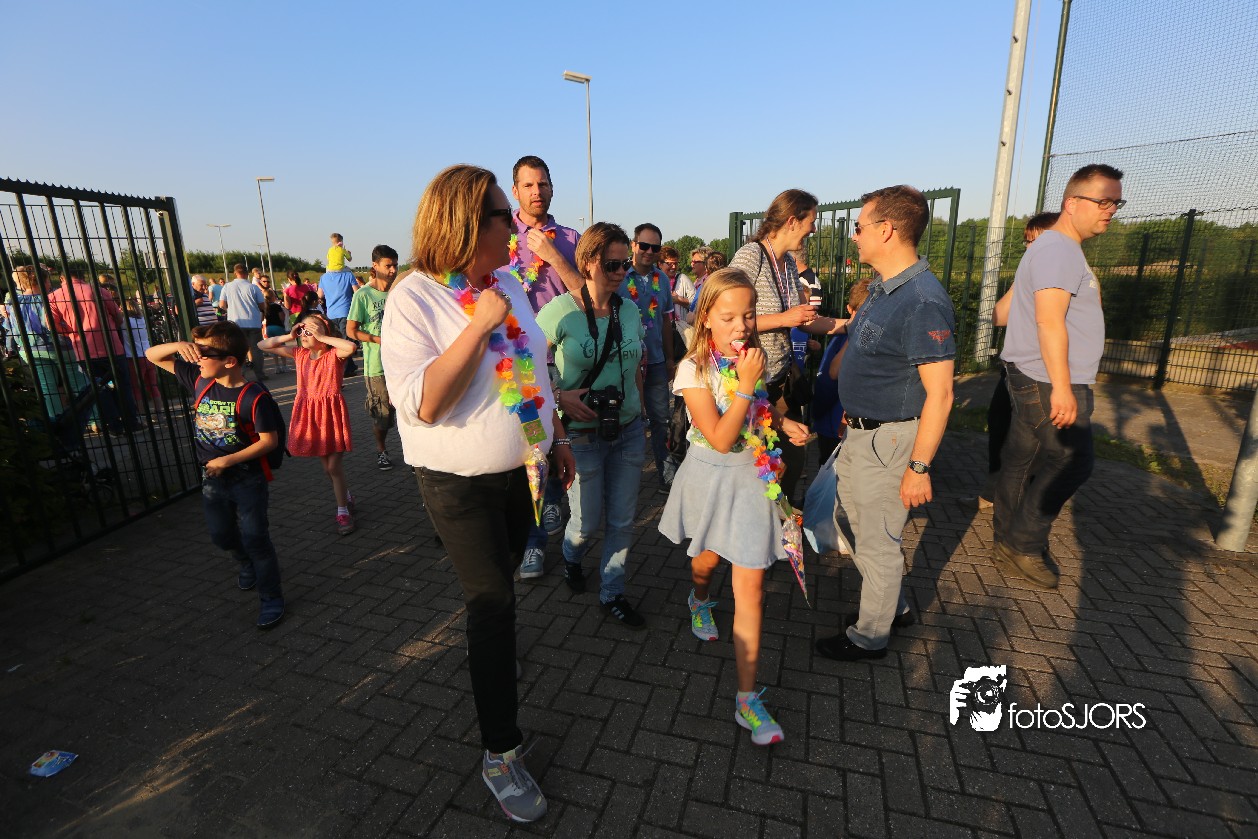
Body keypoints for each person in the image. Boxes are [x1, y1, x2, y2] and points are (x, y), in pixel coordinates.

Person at [380, 164, 574, 824]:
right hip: (456, 484)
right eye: (501, 214)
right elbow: (425, 405)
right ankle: (499, 753)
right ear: (466, 224)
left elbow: (531, 370)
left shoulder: (509, 283)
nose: (513, 225)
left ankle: (491, 652)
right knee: (490, 601)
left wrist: (555, 437)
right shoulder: (413, 297)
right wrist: (477, 326)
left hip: (521, 469)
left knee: (505, 585)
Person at [660, 267, 811, 746]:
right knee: (705, 562)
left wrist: (782, 424)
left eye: (748, 315)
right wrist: (747, 383)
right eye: (729, 317)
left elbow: (759, 408)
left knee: (751, 588)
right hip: (710, 475)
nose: (742, 326)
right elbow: (722, 437)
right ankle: (699, 598)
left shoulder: (751, 358)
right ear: (706, 317)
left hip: (752, 480)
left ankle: (747, 699)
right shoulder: (693, 370)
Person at [815, 184, 956, 663]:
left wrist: (919, 466)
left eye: (858, 227)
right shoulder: (882, 288)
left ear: (887, 229)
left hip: (890, 441)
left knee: (878, 540)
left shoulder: (922, 301)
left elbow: (941, 393)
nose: (853, 236)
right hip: (862, 432)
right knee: (854, 523)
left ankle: (870, 636)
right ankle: (892, 606)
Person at [993, 165, 1124, 589]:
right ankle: (1024, 545)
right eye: (1103, 201)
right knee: (1072, 461)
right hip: (1048, 380)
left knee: (1021, 458)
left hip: (1036, 375)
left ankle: (1007, 540)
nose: (1111, 210)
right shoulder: (1058, 251)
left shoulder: (1057, 248)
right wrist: (1063, 389)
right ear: (1072, 203)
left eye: (1116, 202)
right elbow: (1050, 321)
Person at [537, 222, 648, 627]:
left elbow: (636, 365)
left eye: (625, 265)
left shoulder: (629, 309)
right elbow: (522, 368)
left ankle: (612, 592)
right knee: (586, 523)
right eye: (611, 264)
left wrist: (642, 413)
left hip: (627, 430)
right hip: (580, 435)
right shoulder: (560, 311)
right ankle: (571, 556)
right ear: (587, 263)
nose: (620, 273)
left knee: (622, 521)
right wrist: (557, 396)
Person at [144, 321, 286, 628]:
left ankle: (271, 597)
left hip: (247, 478)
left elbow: (269, 442)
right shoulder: (199, 379)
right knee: (221, 535)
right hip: (213, 478)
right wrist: (180, 346)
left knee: (256, 538)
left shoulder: (253, 396)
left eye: (204, 354)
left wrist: (228, 460)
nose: (197, 360)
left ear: (230, 361)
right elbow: (151, 354)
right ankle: (244, 562)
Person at [730, 189, 846, 507]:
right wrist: (785, 318)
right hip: (751, 383)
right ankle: (758, 528)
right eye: (812, 221)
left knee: (791, 462)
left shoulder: (789, 265)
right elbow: (725, 319)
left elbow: (805, 320)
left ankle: (782, 526)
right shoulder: (751, 256)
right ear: (793, 220)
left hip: (781, 382)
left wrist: (851, 323)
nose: (814, 229)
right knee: (758, 469)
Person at [502, 155, 583, 579]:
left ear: (552, 188)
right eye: (528, 185)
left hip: (559, 362)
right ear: (515, 190)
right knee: (530, 452)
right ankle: (533, 543)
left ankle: (552, 497)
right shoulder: (499, 236)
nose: (537, 192)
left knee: (556, 444)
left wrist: (553, 255)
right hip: (514, 364)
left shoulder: (569, 237)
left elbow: (585, 293)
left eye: (543, 184)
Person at [973, 211, 1061, 509]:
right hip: (1014, 369)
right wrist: (1021, 280)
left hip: (1044, 373)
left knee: (1032, 442)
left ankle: (1025, 505)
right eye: (1027, 241)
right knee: (999, 426)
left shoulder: (1069, 276)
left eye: (1036, 241)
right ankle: (992, 493)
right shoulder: (1030, 275)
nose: (1029, 248)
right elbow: (999, 316)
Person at [258, 311, 357, 535]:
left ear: (324, 333)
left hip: (331, 415)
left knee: (333, 467)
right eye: (303, 329)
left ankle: (343, 511)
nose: (305, 334)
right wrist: (289, 335)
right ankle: (346, 497)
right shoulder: (299, 354)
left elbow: (350, 347)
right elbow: (262, 345)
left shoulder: (334, 355)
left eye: (310, 330)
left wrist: (322, 337)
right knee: (327, 468)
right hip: (311, 416)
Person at [47, 267, 142, 434]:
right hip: (111, 346)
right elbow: (118, 316)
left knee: (100, 390)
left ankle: (114, 426)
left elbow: (51, 325)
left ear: (62, 279)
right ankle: (132, 423)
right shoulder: (99, 291)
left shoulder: (54, 297)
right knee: (122, 386)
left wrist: (71, 331)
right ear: (83, 276)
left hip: (84, 350)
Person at [621, 223, 676, 486]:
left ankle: (666, 473)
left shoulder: (662, 279)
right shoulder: (619, 275)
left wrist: (670, 358)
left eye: (655, 248)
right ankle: (627, 478)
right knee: (629, 421)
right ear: (633, 245)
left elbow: (666, 321)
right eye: (644, 246)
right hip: (625, 364)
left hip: (655, 361)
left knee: (661, 420)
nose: (649, 252)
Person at [5, 265, 91, 418]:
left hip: (31, 349)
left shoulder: (13, 302)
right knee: (79, 383)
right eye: (48, 280)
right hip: (61, 346)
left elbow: (10, 326)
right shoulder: (52, 298)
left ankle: (56, 420)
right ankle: (94, 419)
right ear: (43, 281)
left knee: (47, 388)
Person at [347, 245, 399, 470]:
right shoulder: (363, 295)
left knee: (408, 410)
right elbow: (351, 330)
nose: (393, 270)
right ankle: (381, 450)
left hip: (401, 363)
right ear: (375, 266)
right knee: (383, 415)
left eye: (395, 265)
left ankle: (412, 453)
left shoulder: (399, 291)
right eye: (388, 265)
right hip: (377, 366)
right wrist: (376, 339)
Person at [813, 278, 872, 463]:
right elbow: (832, 373)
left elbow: (831, 373)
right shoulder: (844, 336)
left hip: (843, 421)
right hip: (834, 421)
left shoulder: (850, 336)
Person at [217, 264, 268, 381]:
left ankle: (242, 374)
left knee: (239, 350)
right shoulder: (253, 287)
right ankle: (260, 374)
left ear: (235, 273)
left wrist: (231, 309)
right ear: (247, 273)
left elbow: (222, 305)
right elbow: (262, 305)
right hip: (254, 322)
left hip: (236, 323)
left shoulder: (227, 287)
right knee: (256, 349)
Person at [320, 235, 362, 377]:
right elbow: (357, 292)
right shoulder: (348, 275)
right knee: (345, 341)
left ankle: (343, 367)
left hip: (331, 313)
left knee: (335, 341)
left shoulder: (324, 277)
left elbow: (319, 294)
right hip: (345, 311)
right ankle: (346, 368)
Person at [121, 298, 160, 412]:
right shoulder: (142, 320)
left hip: (134, 358)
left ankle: (142, 414)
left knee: (136, 388)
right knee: (153, 386)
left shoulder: (125, 321)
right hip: (148, 356)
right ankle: (160, 413)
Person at [263, 288, 291, 374]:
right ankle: (284, 366)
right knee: (281, 346)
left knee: (273, 347)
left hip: (269, 328)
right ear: (273, 297)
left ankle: (277, 366)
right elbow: (282, 317)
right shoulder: (277, 306)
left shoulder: (265, 307)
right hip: (278, 327)